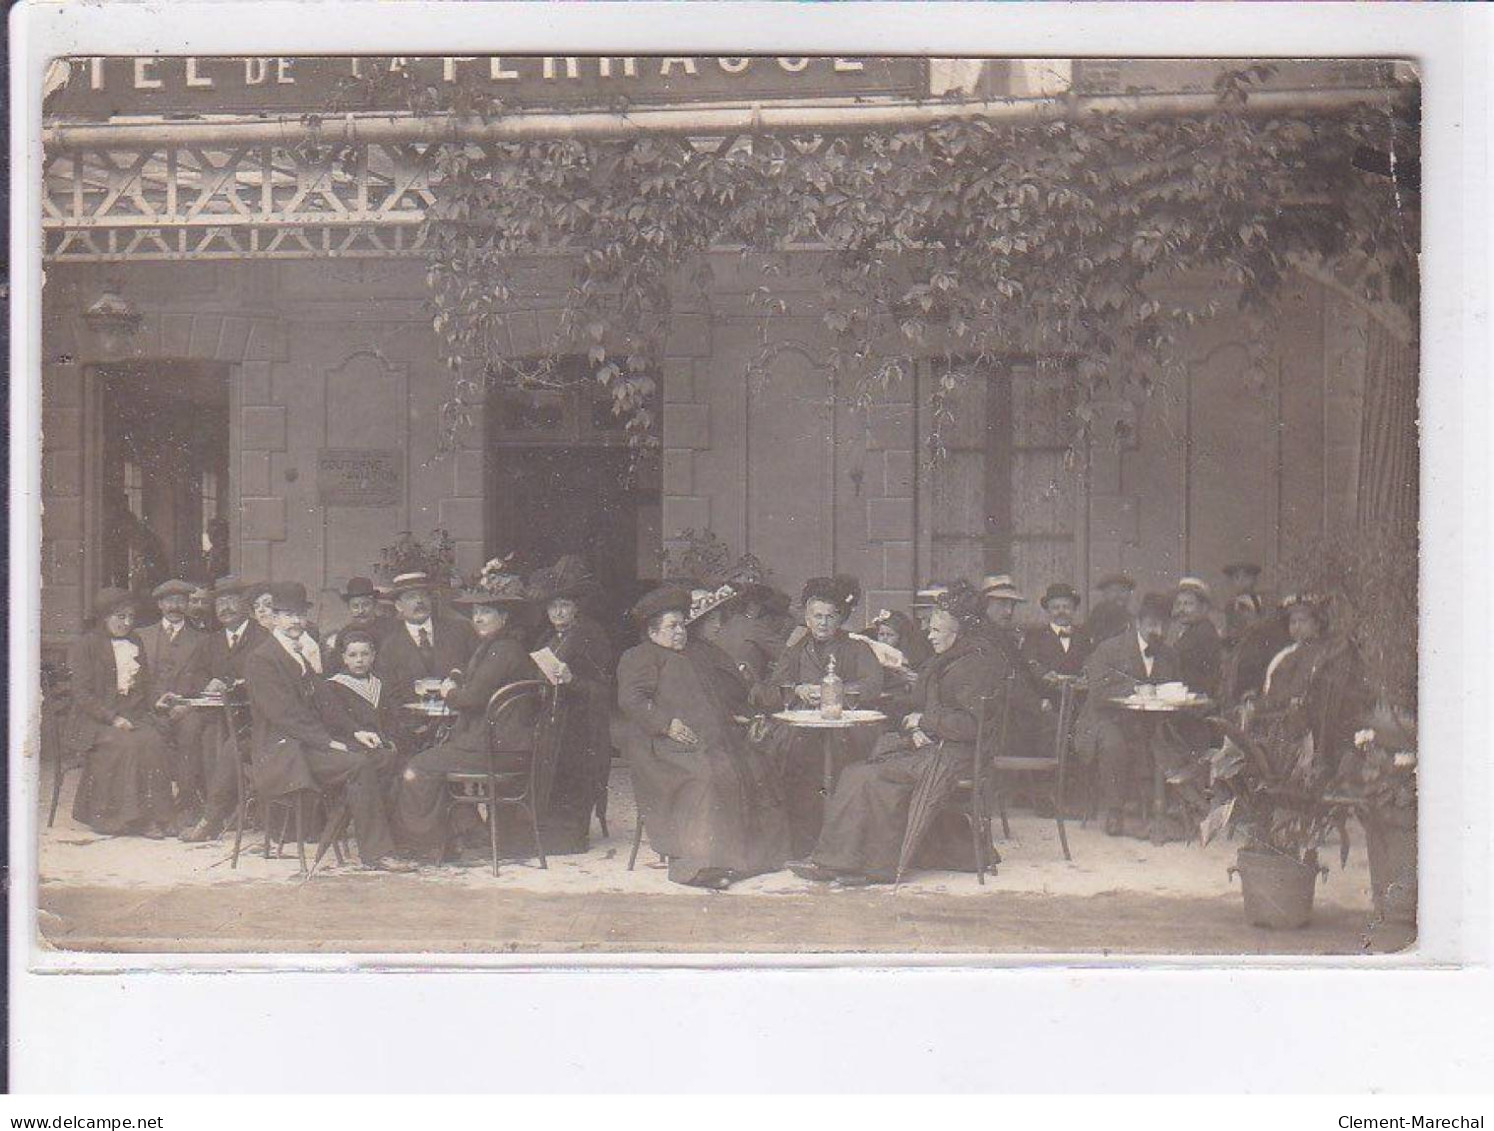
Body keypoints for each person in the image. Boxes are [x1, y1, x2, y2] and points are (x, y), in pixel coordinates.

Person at [788, 585, 996, 885]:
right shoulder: (953, 659)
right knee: (864, 766)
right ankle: (848, 860)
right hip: (939, 749)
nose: (929, 635)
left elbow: (972, 725)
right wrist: (903, 715)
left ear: (959, 631)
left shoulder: (974, 665)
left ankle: (866, 866)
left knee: (864, 776)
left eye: (937, 629)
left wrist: (924, 721)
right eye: (930, 628)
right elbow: (920, 706)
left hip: (956, 757)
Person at [616, 586, 791, 889]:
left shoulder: (692, 656)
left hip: (707, 740)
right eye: (672, 626)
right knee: (709, 776)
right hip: (663, 747)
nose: (681, 631)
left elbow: (712, 699)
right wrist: (666, 724)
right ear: (653, 630)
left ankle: (752, 858)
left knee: (755, 765)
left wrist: (736, 717)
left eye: (682, 624)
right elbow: (631, 699)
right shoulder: (640, 656)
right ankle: (699, 866)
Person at [242, 582, 412, 872]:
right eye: (287, 615)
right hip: (282, 750)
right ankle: (377, 852)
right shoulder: (263, 658)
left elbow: (324, 700)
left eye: (300, 615)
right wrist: (327, 741)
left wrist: (353, 730)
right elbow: (284, 714)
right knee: (359, 765)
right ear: (273, 618)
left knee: (384, 756)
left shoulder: (297, 653)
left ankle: (383, 833)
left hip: (305, 743)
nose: (296, 621)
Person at [392, 575, 541, 861]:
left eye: (487, 612)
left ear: (504, 617)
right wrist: (458, 679)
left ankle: (425, 844)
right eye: (476, 613)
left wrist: (449, 692)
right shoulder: (495, 647)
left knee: (419, 765)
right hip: (501, 745)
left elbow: (471, 698)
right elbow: (475, 680)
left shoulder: (502, 650)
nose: (479, 618)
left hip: (498, 749)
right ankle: (467, 833)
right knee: (434, 756)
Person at [752, 576, 886, 856]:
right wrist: (797, 690)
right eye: (817, 616)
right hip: (802, 729)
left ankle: (835, 844)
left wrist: (834, 693)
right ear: (807, 618)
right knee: (782, 759)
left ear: (840, 619)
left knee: (833, 766)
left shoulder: (857, 647)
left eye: (830, 616)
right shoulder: (796, 650)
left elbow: (873, 686)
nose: (823, 623)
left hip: (846, 730)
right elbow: (771, 690)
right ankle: (799, 842)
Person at [66, 589, 177, 837]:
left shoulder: (135, 641)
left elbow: (145, 684)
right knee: (126, 745)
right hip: (95, 720)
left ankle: (159, 816)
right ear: (104, 617)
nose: (126, 623)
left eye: (130, 617)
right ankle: (120, 818)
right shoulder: (86, 645)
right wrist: (112, 718)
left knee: (153, 742)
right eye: (120, 616)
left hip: (132, 716)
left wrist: (156, 702)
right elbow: (82, 694)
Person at [1074, 592, 1182, 836]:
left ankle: (1165, 810)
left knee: (1172, 739)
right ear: (1138, 623)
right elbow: (1098, 691)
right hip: (1104, 718)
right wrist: (1137, 689)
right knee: (1114, 744)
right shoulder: (1110, 649)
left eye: (1164, 625)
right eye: (1153, 624)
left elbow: (1173, 686)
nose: (1160, 631)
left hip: (1145, 720)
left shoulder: (1169, 654)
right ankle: (1115, 810)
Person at [527, 554, 615, 853]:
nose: (558, 611)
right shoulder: (546, 636)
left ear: (576, 607)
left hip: (582, 724)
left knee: (572, 773)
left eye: (564, 605)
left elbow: (604, 689)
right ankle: (545, 832)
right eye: (553, 606)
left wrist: (571, 681)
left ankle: (570, 836)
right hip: (552, 721)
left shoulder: (592, 635)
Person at [177, 577, 269, 842]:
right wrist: (209, 682)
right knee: (199, 734)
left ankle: (223, 812)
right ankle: (200, 806)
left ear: (245, 605)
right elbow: (193, 675)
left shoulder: (262, 638)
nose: (225, 607)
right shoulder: (211, 641)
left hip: (251, 716)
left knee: (221, 739)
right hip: (216, 714)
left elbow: (259, 679)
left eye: (232, 601)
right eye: (220, 602)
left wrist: (230, 684)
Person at [137, 578, 209, 828]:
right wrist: (153, 703)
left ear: (188, 605)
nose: (175, 606)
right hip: (150, 709)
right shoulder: (141, 636)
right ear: (160, 605)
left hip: (186, 708)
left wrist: (187, 705)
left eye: (180, 601)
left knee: (191, 732)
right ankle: (156, 811)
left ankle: (187, 804)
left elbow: (205, 680)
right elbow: (135, 680)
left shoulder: (202, 640)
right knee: (150, 739)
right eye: (169, 601)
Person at [372, 571, 479, 719]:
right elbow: (390, 697)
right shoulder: (389, 647)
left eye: (423, 595)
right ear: (398, 606)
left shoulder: (461, 631)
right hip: (413, 728)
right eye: (411, 597)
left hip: (461, 721)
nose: (419, 601)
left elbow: (478, 673)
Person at [319, 630, 397, 752]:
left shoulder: (380, 682)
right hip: (355, 745)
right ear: (344, 658)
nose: (359, 660)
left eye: (365, 654)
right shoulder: (334, 686)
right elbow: (338, 721)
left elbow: (392, 717)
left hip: (384, 743)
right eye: (353, 655)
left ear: (373, 656)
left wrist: (391, 739)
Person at [1021, 582, 1091, 706]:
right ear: (1048, 610)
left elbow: (1091, 662)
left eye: (1066, 607)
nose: (1061, 611)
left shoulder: (1084, 636)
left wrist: (1086, 676)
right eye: (1055, 607)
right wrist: (1043, 674)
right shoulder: (1034, 636)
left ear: (1074, 609)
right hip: (1047, 701)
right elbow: (1028, 663)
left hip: (1078, 701)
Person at [1170, 577, 1223, 699]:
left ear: (1204, 607)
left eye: (1188, 604)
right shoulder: (1187, 631)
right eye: (1179, 604)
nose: (1182, 609)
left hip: (1196, 703)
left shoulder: (1204, 633)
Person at [323, 577, 388, 673]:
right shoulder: (344, 634)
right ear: (349, 608)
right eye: (355, 606)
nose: (361, 611)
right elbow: (335, 668)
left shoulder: (389, 628)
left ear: (374, 605)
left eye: (366, 605)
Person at [1085, 573, 1136, 646]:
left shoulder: (1132, 621)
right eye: (1114, 590)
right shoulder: (1097, 617)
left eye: (1123, 591)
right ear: (1105, 594)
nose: (1119, 595)